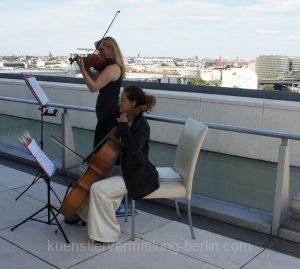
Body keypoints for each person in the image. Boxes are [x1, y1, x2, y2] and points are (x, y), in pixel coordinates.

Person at [78, 85, 159, 243]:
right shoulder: (127, 119)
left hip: (136, 176)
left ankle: (108, 234)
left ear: (133, 103)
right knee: (90, 180)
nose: (119, 102)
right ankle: (84, 216)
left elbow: (134, 150)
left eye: (122, 100)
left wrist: (122, 126)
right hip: (125, 170)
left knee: (98, 189)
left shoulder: (141, 124)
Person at [76, 36, 125, 148]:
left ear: (111, 49)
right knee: (101, 146)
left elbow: (94, 87)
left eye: (102, 49)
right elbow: (95, 78)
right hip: (106, 111)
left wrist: (83, 69)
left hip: (109, 113)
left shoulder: (112, 68)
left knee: (100, 148)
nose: (99, 53)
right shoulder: (108, 66)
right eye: (98, 50)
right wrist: (87, 68)